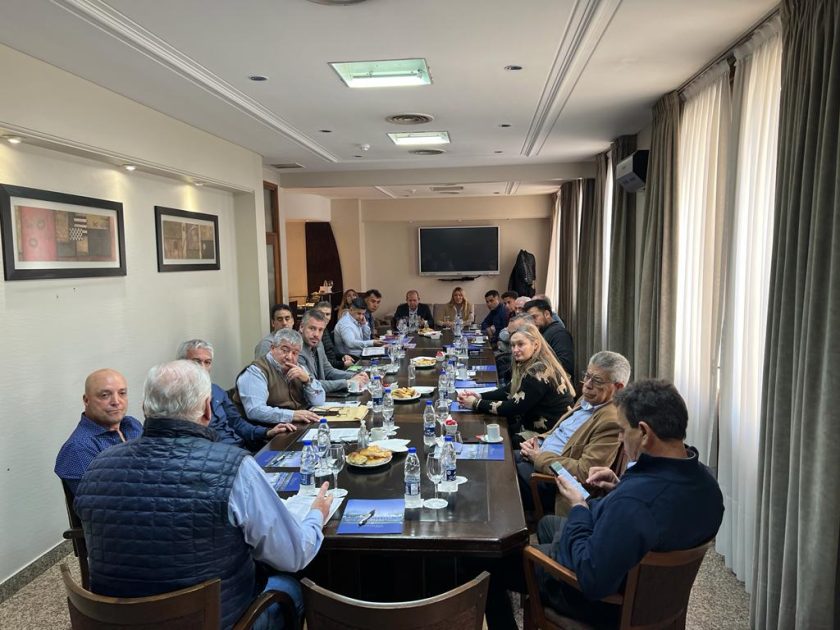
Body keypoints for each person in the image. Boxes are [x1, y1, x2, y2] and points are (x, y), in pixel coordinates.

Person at [74, 360, 332, 629]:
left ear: (145, 408)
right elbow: (293, 555)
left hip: (117, 622)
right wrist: (316, 515)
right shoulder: (235, 467)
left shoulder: (97, 465)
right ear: (208, 410)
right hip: (217, 621)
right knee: (292, 586)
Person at [533, 379, 724, 627]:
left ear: (644, 432)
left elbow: (592, 580)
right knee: (548, 523)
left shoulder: (634, 502)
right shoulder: (708, 483)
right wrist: (618, 487)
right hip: (658, 595)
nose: (620, 437)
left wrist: (578, 505)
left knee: (513, 559)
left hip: (611, 604)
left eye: (623, 430)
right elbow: (657, 513)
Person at [517, 351, 629, 513]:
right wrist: (538, 441)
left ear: (618, 387)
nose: (587, 385)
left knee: (505, 474)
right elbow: (562, 431)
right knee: (502, 455)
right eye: (587, 376)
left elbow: (584, 472)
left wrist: (539, 457)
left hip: (554, 482)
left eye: (597, 381)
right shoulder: (589, 399)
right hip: (541, 457)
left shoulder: (611, 421)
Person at [458, 323, 575, 442]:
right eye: (513, 345)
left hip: (549, 436)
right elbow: (509, 390)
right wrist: (479, 396)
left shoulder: (537, 371)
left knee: (498, 441)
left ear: (535, 345)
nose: (515, 350)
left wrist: (476, 404)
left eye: (520, 344)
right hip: (535, 426)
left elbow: (514, 407)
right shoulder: (532, 363)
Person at [178, 339, 294, 449]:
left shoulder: (217, 391)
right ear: (182, 363)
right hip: (217, 453)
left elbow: (237, 423)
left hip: (241, 447)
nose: (202, 367)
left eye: (207, 362)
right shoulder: (175, 395)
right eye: (197, 362)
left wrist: (267, 432)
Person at [55, 369, 143, 494]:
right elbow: (101, 501)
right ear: (86, 400)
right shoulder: (78, 448)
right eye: (105, 395)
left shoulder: (132, 425)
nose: (116, 401)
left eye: (122, 393)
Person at [234, 328, 324, 425]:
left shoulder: (299, 368)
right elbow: (255, 411)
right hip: (268, 430)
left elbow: (319, 401)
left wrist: (307, 381)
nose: (289, 357)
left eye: (295, 353)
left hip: (298, 425)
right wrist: (292, 415)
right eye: (285, 350)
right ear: (272, 348)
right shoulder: (255, 372)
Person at [298, 309, 369, 393]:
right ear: (301, 327)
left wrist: (355, 375)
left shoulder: (318, 344)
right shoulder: (296, 350)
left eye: (320, 330)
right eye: (312, 328)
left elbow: (328, 371)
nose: (316, 334)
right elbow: (313, 384)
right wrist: (347, 383)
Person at [525, 298, 574, 377]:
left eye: (534, 317)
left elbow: (565, 365)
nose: (532, 322)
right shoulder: (542, 332)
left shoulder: (559, 333)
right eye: (529, 319)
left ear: (547, 314)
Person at [315, 301, 354, 368]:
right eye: (321, 314)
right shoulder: (315, 334)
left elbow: (331, 351)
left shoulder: (326, 329)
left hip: (335, 366)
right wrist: (342, 364)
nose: (324, 317)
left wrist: (343, 356)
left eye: (327, 314)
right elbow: (322, 363)